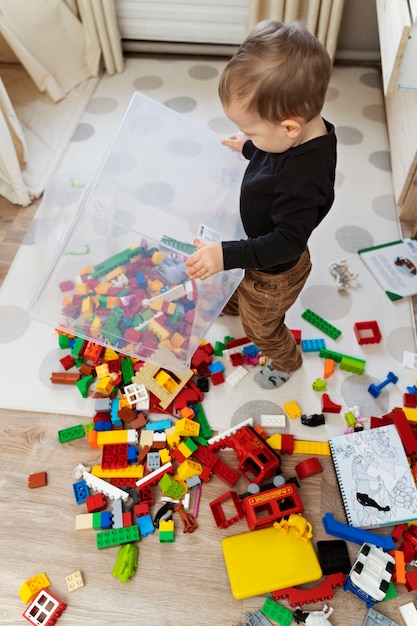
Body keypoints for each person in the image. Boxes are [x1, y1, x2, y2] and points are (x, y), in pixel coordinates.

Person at [185, 20, 337, 390]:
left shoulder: (305, 180)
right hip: (258, 249)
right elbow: (273, 159)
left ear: (289, 128)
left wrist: (226, 255)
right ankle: (237, 300)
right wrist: (250, 145)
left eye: (252, 131)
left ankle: (287, 361)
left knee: (261, 326)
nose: (249, 136)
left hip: (275, 273)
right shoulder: (294, 137)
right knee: (240, 283)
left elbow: (285, 243)